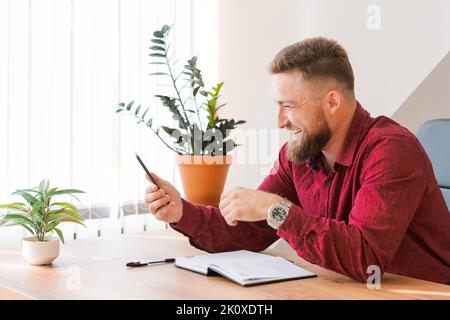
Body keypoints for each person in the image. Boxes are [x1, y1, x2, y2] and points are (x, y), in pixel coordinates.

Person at [144, 37, 450, 284]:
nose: (280, 122)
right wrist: (182, 212)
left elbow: (366, 259)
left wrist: (274, 208)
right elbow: (251, 229)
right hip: (343, 290)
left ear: (332, 101)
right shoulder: (300, 153)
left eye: (288, 106)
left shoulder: (391, 151)